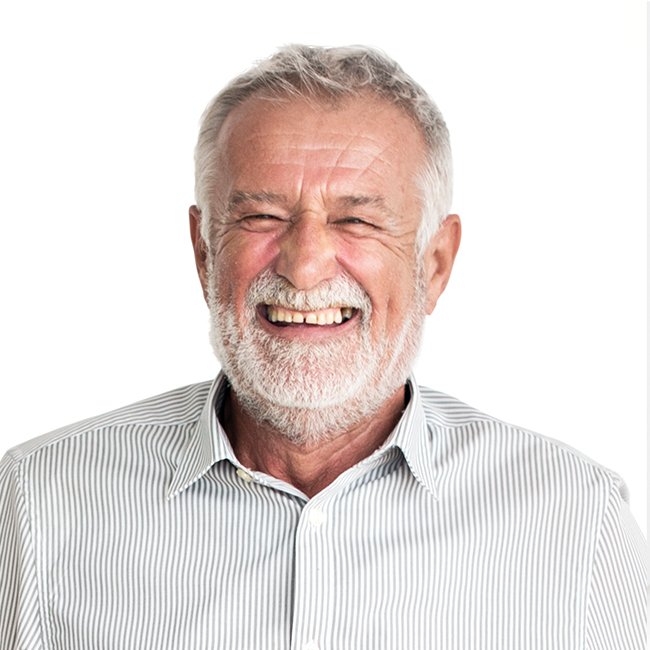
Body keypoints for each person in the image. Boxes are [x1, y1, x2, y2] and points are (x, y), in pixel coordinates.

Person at [0, 45, 646, 650]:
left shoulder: (576, 519)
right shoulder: (42, 500)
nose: (304, 267)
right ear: (203, 252)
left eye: (356, 220)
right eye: (262, 216)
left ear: (435, 264)